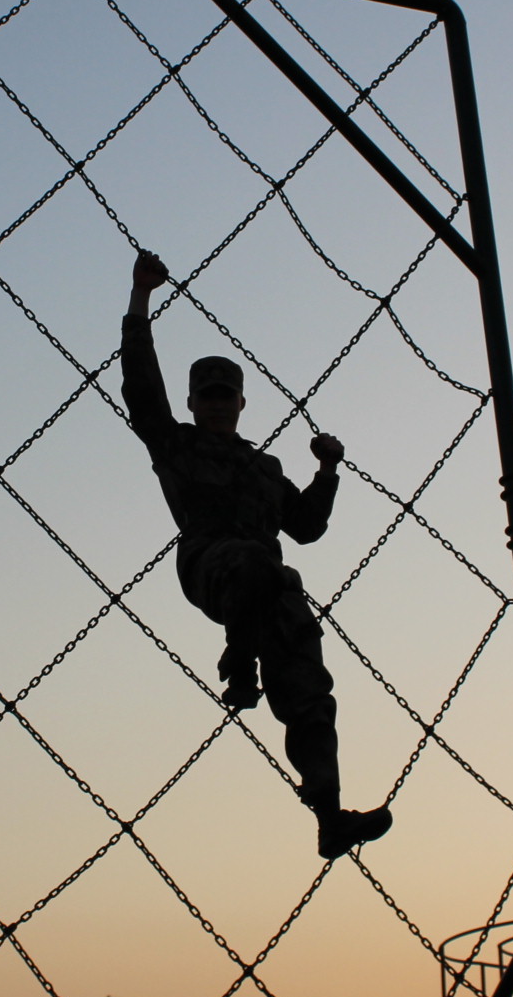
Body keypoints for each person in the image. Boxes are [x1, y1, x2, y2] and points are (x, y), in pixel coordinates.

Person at [121, 249, 392, 859]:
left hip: (272, 587)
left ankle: (330, 816)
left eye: (227, 396)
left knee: (309, 691)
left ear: (242, 403)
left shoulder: (264, 468)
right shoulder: (176, 444)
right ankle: (240, 666)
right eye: (207, 396)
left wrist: (327, 470)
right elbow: (140, 383)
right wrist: (141, 297)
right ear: (192, 403)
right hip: (213, 565)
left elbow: (307, 527)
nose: (218, 404)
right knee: (253, 560)